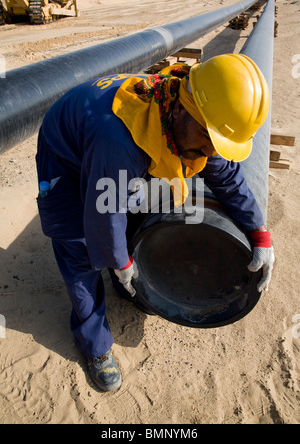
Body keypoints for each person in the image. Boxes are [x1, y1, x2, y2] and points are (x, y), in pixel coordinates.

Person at [36, 53, 275, 393]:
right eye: (208, 137)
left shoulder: (195, 121)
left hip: (106, 150)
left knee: (131, 209)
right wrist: (120, 262)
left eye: (218, 143)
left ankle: (125, 277)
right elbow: (105, 215)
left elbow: (228, 179)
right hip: (66, 152)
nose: (210, 150)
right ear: (181, 109)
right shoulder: (120, 142)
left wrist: (259, 233)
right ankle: (95, 345)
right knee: (80, 246)